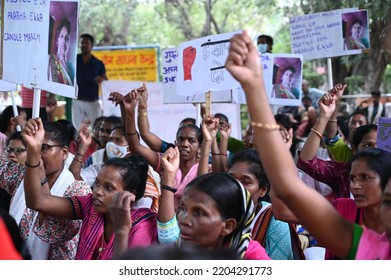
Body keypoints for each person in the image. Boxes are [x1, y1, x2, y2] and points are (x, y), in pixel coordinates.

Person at [226, 30, 391, 259]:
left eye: (366, 178)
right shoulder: (365, 241)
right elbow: (286, 200)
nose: (356, 185)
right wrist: (254, 85)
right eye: (388, 202)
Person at [21, 117, 158, 260]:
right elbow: (37, 202)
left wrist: (122, 230)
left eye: (109, 188)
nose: (97, 191)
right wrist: (33, 151)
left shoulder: (142, 226)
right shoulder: (89, 205)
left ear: (130, 195)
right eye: (97, 183)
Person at [150, 146, 270, 260]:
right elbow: (167, 234)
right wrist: (169, 175)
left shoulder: (253, 258)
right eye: (182, 208)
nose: (183, 220)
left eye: (199, 213)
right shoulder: (179, 250)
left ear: (227, 226)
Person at [0, 121, 92, 260]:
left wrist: (41, 177)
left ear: (64, 153)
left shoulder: (78, 190)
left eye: (43, 148)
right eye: (31, 147)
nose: (36, 153)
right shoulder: (21, 174)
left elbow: (52, 231)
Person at [228, 149, 300, 260]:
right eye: (231, 178)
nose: (235, 186)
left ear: (263, 190)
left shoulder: (275, 222)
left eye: (246, 182)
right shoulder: (218, 212)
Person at [72, 33, 107, 129]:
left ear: (92, 46)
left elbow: (106, 80)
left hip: (93, 102)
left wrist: (102, 79)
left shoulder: (98, 63)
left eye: (86, 43)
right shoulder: (74, 60)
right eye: (82, 43)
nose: (84, 45)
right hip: (77, 100)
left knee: (98, 127)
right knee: (78, 128)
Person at [0, 132, 27, 212]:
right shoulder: (3, 182)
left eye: (18, 150)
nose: (11, 154)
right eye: (9, 150)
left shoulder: (33, 183)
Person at [48, 17, 75, 86]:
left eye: (67, 38)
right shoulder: (50, 62)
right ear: (57, 41)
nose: (64, 41)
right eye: (62, 36)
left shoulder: (71, 67)